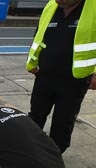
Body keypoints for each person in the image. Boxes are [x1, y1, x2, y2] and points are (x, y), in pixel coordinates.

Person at [26, 0, 96, 153]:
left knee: (63, 122)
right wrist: (32, 61)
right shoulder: (52, 6)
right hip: (45, 75)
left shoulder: (93, 7)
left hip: (74, 80)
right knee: (35, 115)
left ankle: (55, 155)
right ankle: (28, 150)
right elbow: (39, 35)